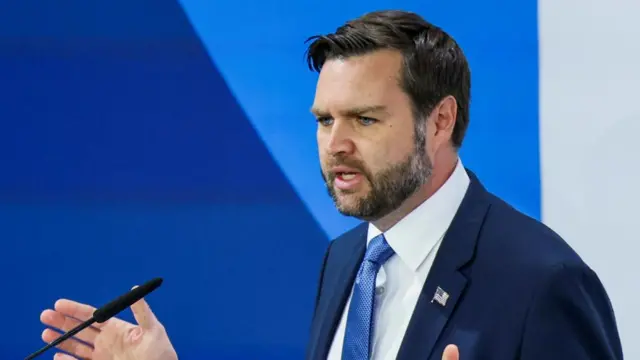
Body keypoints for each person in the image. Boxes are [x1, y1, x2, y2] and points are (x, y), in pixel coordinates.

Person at [38, 10, 623, 360]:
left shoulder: (543, 282)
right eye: (324, 121)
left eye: (365, 119)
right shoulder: (347, 260)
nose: (334, 145)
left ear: (440, 121)